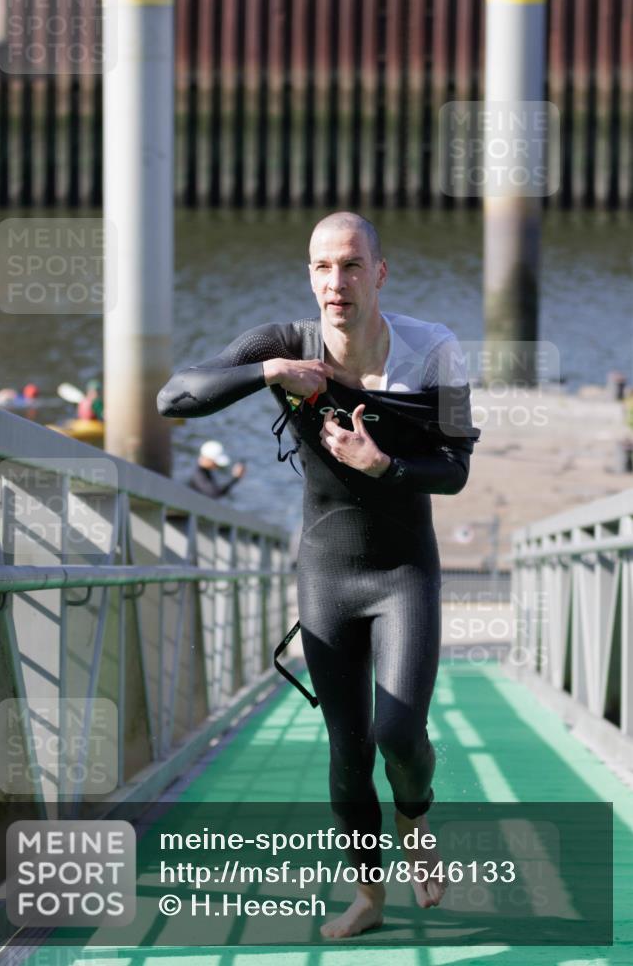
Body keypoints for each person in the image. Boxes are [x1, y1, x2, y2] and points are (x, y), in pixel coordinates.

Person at [157, 212, 478, 939]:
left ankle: (415, 817)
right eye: (323, 268)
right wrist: (269, 372)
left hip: (403, 570)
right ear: (310, 275)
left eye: (353, 265)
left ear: (380, 272)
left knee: (398, 732)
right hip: (327, 574)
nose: (337, 283)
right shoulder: (283, 345)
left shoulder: (435, 351)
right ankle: (368, 898)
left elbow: (455, 468)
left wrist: (385, 465)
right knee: (347, 749)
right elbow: (172, 398)